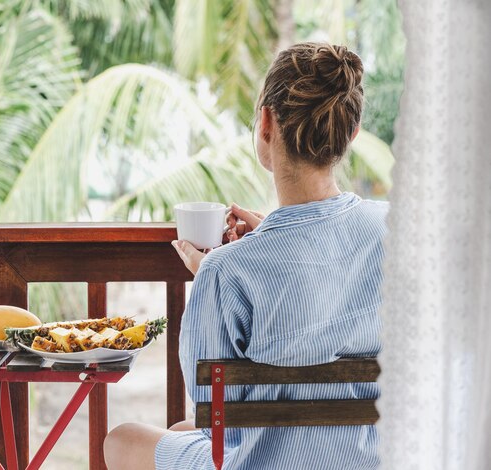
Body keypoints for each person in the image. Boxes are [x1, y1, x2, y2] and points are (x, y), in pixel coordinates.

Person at [104, 42, 387, 470]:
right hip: (376, 459)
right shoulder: (396, 230)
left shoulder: (227, 270)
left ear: (267, 124)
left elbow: (213, 415)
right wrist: (267, 241)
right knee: (179, 432)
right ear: (351, 133)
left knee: (122, 440)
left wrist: (213, 274)